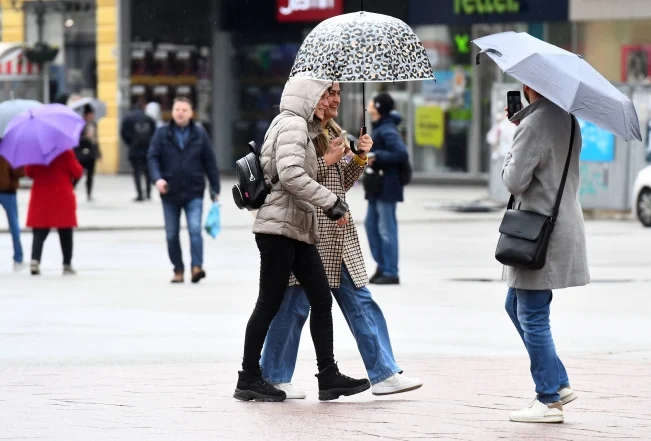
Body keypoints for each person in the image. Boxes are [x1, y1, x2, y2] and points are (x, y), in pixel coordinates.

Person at [260, 82, 423, 399]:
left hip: (336, 230)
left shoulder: (333, 130)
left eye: (336, 93)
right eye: (328, 93)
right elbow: (292, 178)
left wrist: (359, 156)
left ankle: (383, 372)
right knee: (295, 305)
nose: (335, 98)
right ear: (311, 97)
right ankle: (276, 376)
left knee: (352, 301)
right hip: (314, 229)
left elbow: (341, 182)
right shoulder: (300, 130)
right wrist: (328, 161)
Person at [235, 77, 369, 402]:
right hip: (279, 229)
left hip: (296, 228)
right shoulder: (293, 125)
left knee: (321, 300)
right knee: (268, 303)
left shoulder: (304, 128)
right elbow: (293, 175)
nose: (327, 103)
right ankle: (249, 378)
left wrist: (350, 159)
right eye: (322, 97)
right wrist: (331, 202)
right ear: (307, 98)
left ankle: (328, 376)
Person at [502, 84, 589, 423]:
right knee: (515, 305)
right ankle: (559, 381)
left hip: (539, 232)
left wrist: (515, 141)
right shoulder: (568, 118)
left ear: (527, 86)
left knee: (533, 316)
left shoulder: (534, 123)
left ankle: (548, 398)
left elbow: (513, 180)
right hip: (560, 223)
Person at [148, 96, 220, 284]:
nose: (180, 113)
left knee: (195, 230)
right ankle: (178, 270)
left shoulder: (199, 133)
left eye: (184, 110)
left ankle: (196, 267)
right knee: (171, 234)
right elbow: (152, 158)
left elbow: (210, 162)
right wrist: (157, 179)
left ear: (191, 113)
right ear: (172, 112)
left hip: (193, 191)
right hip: (169, 192)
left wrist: (215, 188)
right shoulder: (162, 133)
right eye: (177, 109)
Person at [364, 93, 409, 285]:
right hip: (377, 186)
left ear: (379, 107)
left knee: (385, 229)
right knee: (370, 225)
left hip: (387, 186)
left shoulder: (387, 129)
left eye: (373, 101)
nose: (369, 103)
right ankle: (382, 266)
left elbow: (401, 153)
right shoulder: (379, 127)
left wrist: (377, 155)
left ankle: (391, 271)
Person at [25, 150, 84, 275]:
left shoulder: (36, 152)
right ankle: (67, 264)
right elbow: (77, 172)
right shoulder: (66, 152)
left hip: (41, 195)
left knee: (39, 231)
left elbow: (29, 172)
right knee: (66, 232)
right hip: (62, 195)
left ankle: (35, 260)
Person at [121, 99, 157, 201]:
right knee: (148, 171)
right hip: (147, 150)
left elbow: (123, 133)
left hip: (134, 150)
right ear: (144, 107)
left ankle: (140, 194)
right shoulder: (149, 118)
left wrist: (130, 143)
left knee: (136, 172)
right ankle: (149, 193)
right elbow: (155, 133)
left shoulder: (128, 118)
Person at [0, 156, 25, 272]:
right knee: (14, 224)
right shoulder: (11, 151)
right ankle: (18, 258)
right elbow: (19, 172)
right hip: (8, 190)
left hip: (7, 190)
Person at [75, 104, 102, 202]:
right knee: (79, 173)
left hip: (92, 152)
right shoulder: (80, 125)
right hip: (82, 152)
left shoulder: (94, 124)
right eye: (90, 114)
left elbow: (96, 140)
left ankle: (89, 194)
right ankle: (72, 188)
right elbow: (76, 140)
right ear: (85, 115)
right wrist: (85, 137)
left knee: (90, 174)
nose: (92, 116)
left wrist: (99, 153)